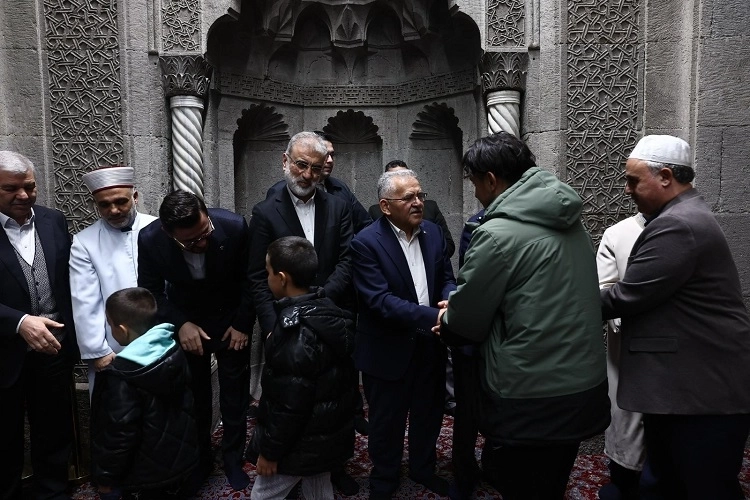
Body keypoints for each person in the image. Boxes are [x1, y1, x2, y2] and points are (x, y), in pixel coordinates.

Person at [438, 132, 610, 500]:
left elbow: (467, 323)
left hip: (530, 393)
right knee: (553, 482)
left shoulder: (496, 233)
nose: (475, 193)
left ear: (490, 180)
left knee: (521, 485)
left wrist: (449, 317)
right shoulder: (571, 222)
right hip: (581, 385)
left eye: (474, 183)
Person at [600, 135, 750, 499]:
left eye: (633, 181)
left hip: (701, 395)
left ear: (666, 177)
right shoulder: (683, 215)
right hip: (689, 389)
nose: (627, 190)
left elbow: (627, 296)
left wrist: (554, 300)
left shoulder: (678, 224)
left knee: (702, 487)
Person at [248, 131, 358, 494]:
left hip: (331, 320)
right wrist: (270, 326)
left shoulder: (339, 206)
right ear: (285, 161)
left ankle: (331, 467)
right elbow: (257, 276)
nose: (308, 174)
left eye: (315, 168)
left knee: (332, 400)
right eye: (301, 165)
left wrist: (321, 299)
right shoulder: (265, 212)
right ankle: (288, 467)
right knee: (291, 400)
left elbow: (347, 260)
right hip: (286, 325)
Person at [137, 190, 254, 491]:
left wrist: (242, 324)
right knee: (195, 396)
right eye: (190, 242)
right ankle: (201, 459)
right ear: (169, 234)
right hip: (187, 322)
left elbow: (251, 280)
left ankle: (233, 458)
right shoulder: (150, 239)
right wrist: (180, 324)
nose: (202, 243)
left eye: (205, 233)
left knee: (234, 394)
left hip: (230, 321)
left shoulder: (234, 226)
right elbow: (151, 292)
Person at [351, 168, 456, 499]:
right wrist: (435, 315)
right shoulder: (365, 243)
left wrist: (449, 300)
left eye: (420, 195)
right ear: (385, 206)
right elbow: (380, 302)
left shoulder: (433, 233)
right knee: (386, 423)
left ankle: (424, 469)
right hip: (387, 350)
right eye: (408, 197)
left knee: (429, 415)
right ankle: (384, 479)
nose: (418, 202)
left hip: (431, 345)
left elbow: (447, 277)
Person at [246, 236, 357, 499]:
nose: (267, 278)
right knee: (319, 490)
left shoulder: (295, 333)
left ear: (282, 278)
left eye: (268, 272)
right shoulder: (327, 311)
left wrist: (270, 452)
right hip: (324, 437)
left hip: (298, 445)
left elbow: (290, 406)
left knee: (263, 495)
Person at [0, 151, 77, 500]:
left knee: (54, 430)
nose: (23, 195)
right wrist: (18, 321)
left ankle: (53, 493)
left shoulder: (53, 219)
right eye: (10, 189)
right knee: (4, 436)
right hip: (4, 352)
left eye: (30, 187)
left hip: (53, 349)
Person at [91, 287, 199, 500]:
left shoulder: (121, 376)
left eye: (110, 324)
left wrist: (106, 478)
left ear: (122, 330)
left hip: (144, 476)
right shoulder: (173, 349)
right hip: (180, 462)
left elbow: (120, 435)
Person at [70, 165, 157, 395]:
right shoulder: (84, 242)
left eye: (121, 202)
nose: (114, 210)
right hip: (114, 347)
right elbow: (85, 300)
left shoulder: (157, 228)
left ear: (135, 197)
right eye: (104, 205)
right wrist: (97, 350)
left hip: (161, 338)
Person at [595, 213, 646, 500]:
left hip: (673, 355)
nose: (628, 191)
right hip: (628, 350)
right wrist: (621, 316)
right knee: (628, 422)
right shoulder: (618, 233)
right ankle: (624, 479)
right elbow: (604, 286)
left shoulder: (684, 230)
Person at [447, 208, 484, 500]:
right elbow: (469, 280)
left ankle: (496, 465)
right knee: (467, 413)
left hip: (511, 338)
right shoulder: (476, 224)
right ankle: (464, 473)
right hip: (475, 334)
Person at [266, 131, 371, 234]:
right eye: (325, 155)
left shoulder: (340, 188)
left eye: (332, 155)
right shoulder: (278, 191)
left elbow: (365, 225)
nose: (330, 160)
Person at [367, 160, 455, 257]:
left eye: (405, 175)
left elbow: (448, 246)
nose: (417, 203)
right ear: (385, 206)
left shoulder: (432, 219)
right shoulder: (375, 214)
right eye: (394, 177)